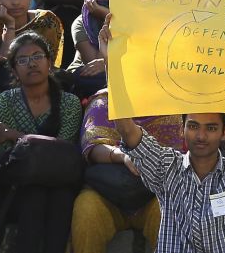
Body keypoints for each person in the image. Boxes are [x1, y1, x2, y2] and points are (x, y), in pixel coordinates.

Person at [108, 4, 225, 253]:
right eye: (194, 126)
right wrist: (112, 60)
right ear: (183, 128)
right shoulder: (166, 167)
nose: (201, 135)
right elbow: (126, 128)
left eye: (211, 128)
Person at [0, 32, 81, 252]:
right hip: (18, 183)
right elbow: (5, 151)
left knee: (60, 198)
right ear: (14, 70)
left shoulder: (70, 103)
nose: (31, 64)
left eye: (37, 56)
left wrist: (16, 135)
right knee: (34, 196)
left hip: (60, 180)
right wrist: (23, 142)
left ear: (49, 62)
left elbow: (62, 150)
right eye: (22, 60)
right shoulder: (4, 101)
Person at [71, 88, 182, 253]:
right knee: (85, 212)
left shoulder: (171, 104)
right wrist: (122, 156)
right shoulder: (104, 101)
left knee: (170, 216)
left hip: (155, 193)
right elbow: (92, 146)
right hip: (106, 191)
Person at [64, 0, 141, 93]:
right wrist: (110, 20)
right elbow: (94, 64)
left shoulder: (141, 18)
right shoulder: (83, 22)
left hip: (123, 71)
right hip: (88, 77)